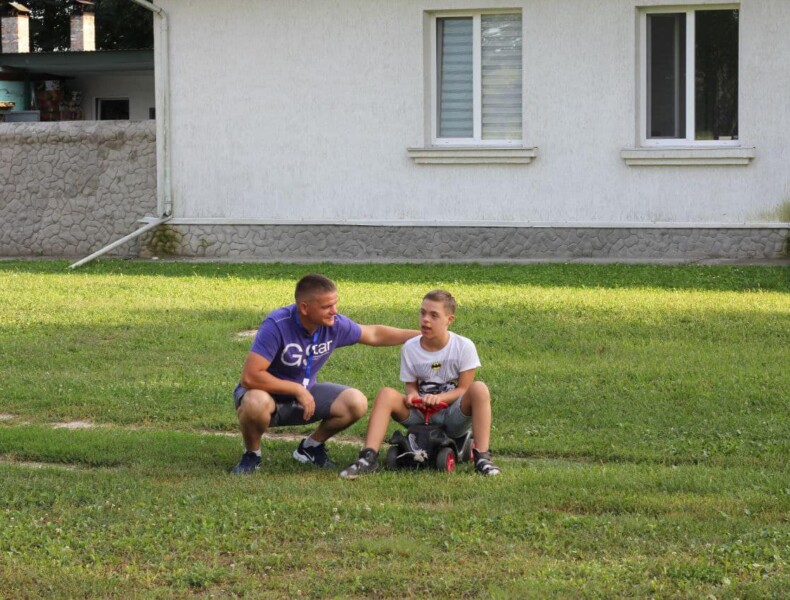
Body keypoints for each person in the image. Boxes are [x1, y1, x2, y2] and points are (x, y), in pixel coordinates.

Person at [231, 273, 419, 474]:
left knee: (356, 402)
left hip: (305, 395)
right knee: (255, 403)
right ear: (304, 308)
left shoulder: (334, 324)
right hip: (266, 396)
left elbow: (374, 334)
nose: (334, 311)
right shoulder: (277, 325)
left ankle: (310, 448)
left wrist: (421, 335)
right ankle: (252, 454)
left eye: (335, 304)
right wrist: (296, 389)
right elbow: (250, 376)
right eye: (326, 306)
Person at [340, 289, 501, 479]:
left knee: (479, 388)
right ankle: (368, 457)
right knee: (386, 394)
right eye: (423, 313)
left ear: (449, 320)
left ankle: (482, 457)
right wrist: (413, 395)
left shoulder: (463, 346)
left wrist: (440, 398)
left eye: (434, 315)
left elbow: (464, 389)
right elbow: (411, 385)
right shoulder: (410, 348)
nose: (425, 320)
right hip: (421, 414)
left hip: (452, 416)